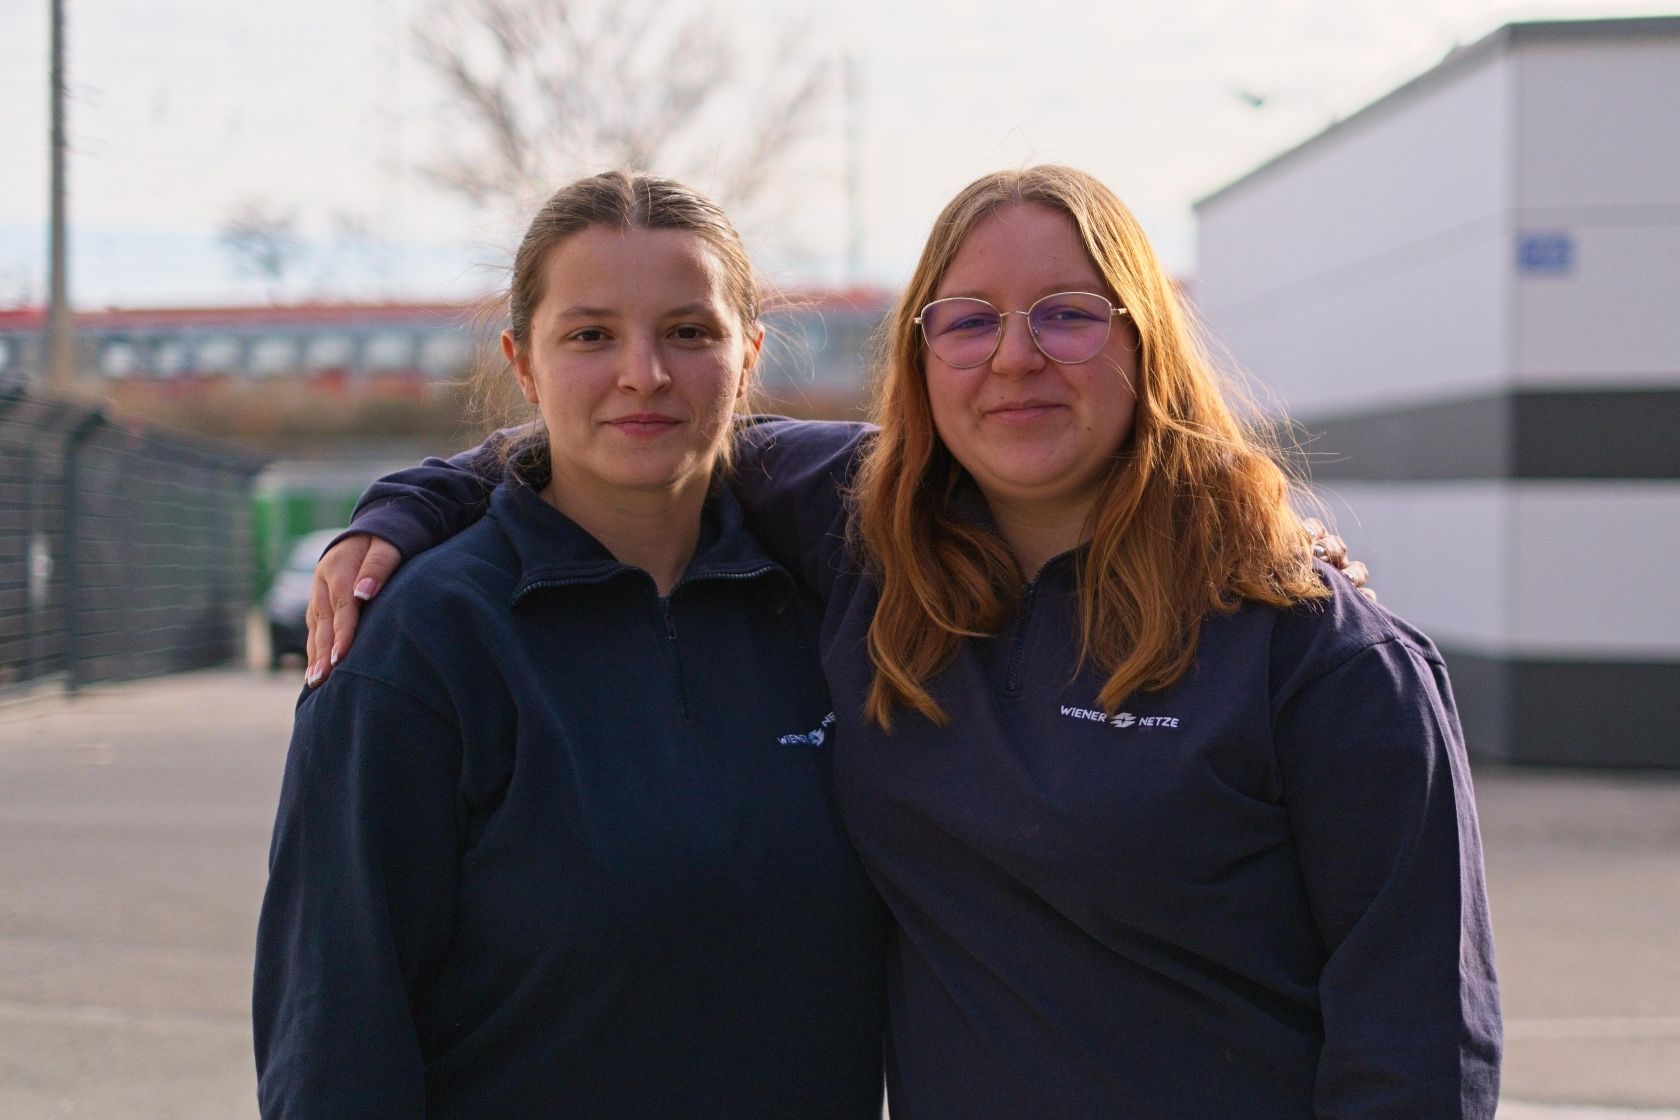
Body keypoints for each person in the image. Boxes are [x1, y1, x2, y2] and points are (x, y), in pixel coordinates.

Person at [309, 166, 1500, 1117]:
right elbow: (626, 435)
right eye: (968, 320)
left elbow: (1419, 1042)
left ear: (1150, 341)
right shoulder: (867, 543)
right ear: (921, 361)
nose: (1015, 355)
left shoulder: (1323, 655)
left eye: (1071, 315)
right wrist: (408, 506)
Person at [251, 171, 889, 1119]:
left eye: (689, 331)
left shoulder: (832, 607)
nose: (644, 373)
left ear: (748, 355)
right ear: (523, 362)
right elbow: (335, 1032)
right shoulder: (423, 645)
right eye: (590, 335)